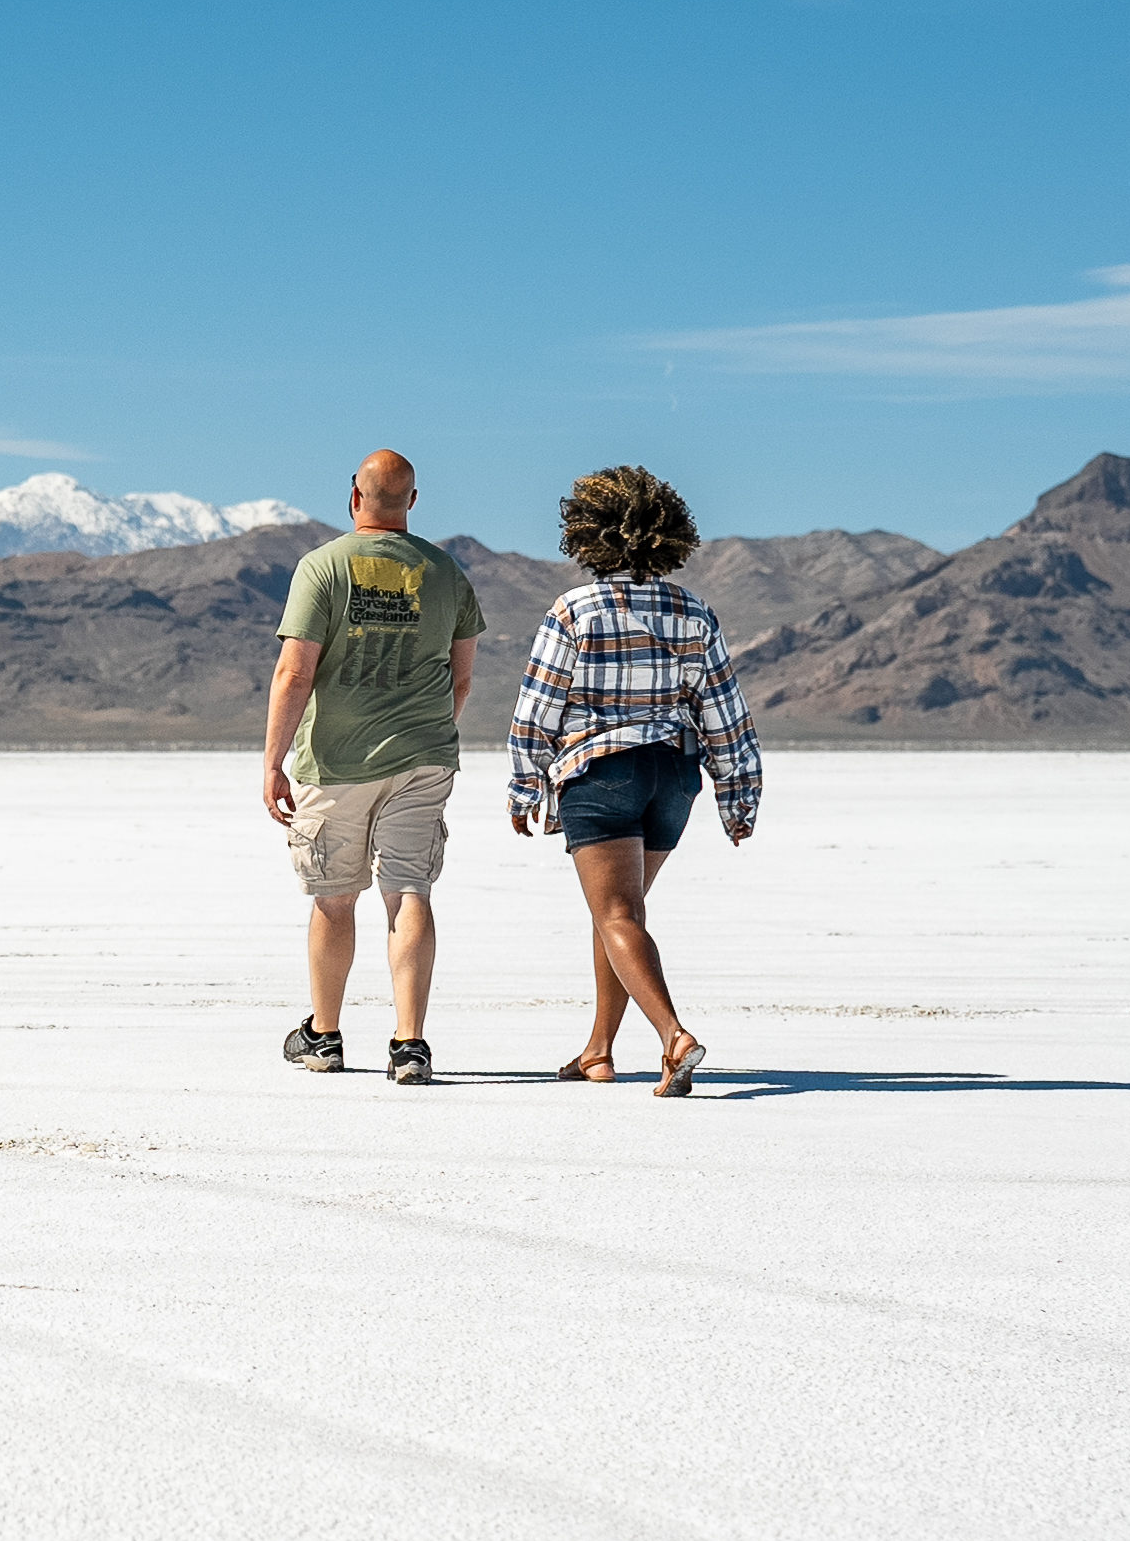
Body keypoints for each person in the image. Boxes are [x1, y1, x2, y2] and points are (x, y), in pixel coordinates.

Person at [504, 466, 762, 1098]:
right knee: (621, 914)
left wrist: (522, 785)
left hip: (603, 772)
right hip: (673, 776)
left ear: (586, 535)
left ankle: (674, 1038)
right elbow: (724, 713)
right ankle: (598, 1050)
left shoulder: (575, 609)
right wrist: (738, 796)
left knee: (615, 911)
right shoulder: (693, 611)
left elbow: (537, 708)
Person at [265, 450, 484, 1084]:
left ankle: (325, 1036)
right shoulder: (447, 574)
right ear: (412, 501)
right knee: (408, 890)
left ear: (353, 497)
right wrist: (426, 735)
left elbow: (294, 671)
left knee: (334, 900)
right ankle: (409, 1044)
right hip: (423, 758)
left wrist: (273, 761)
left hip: (335, 763)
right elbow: (461, 680)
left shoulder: (324, 567)